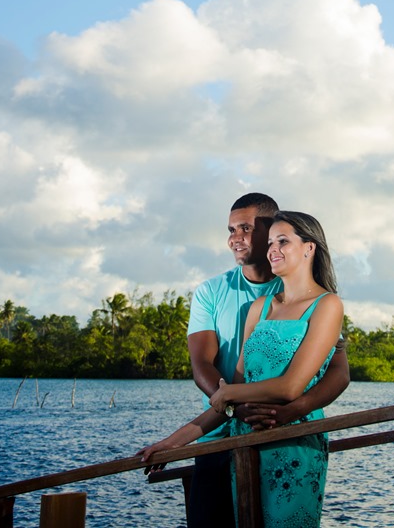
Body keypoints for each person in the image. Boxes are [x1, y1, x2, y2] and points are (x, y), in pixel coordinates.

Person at [138, 210, 346, 528]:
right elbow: (228, 404)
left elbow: (290, 387)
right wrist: (173, 442)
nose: (273, 249)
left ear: (309, 247)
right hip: (243, 443)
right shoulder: (258, 309)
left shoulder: (327, 305)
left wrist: (229, 393)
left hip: (292, 441)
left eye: (283, 241)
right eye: (271, 242)